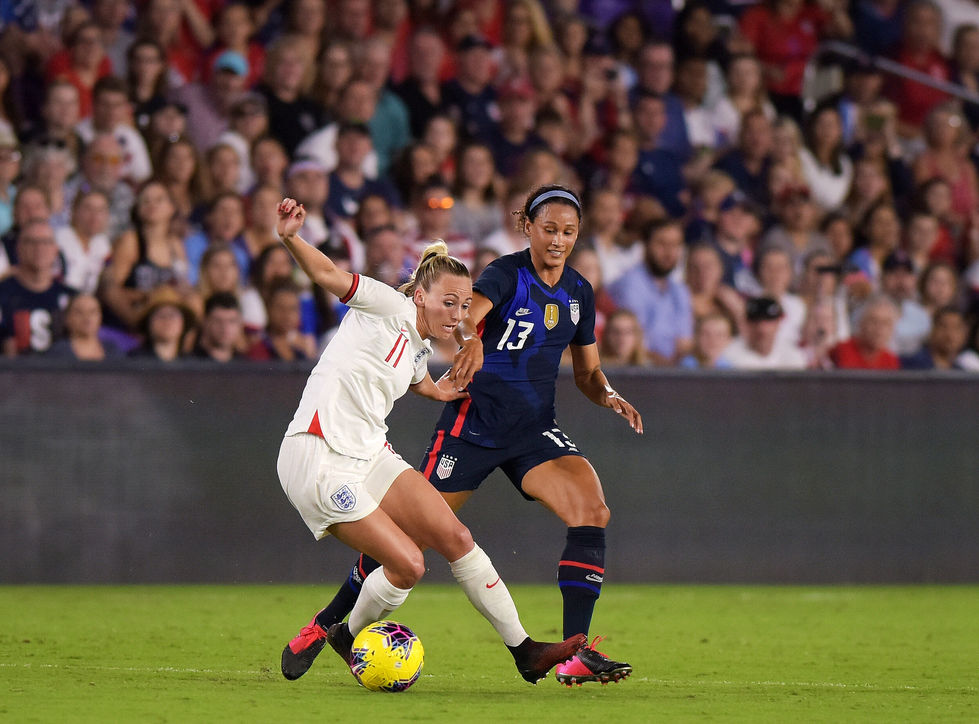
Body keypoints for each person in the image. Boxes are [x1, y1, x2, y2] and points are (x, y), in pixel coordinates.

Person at [309, 185, 641, 687]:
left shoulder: (579, 294)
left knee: (591, 509)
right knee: (407, 538)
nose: (557, 240)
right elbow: (464, 318)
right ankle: (328, 622)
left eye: (568, 232)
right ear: (526, 226)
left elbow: (589, 374)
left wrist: (609, 393)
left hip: (533, 432)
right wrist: (471, 344)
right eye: (548, 229)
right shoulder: (507, 274)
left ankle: (576, 653)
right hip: (472, 427)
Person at [0, 220, 76, 357]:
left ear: (56, 249)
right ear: (18, 248)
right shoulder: (2, 294)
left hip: (64, 375)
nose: (39, 248)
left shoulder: (72, 298)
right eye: (31, 242)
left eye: (46, 242)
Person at [724, 296, 807, 370]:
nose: (762, 328)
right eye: (756, 321)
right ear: (746, 323)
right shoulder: (730, 355)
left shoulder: (792, 354)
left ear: (778, 323)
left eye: (768, 321)